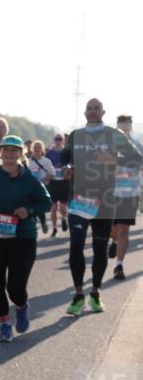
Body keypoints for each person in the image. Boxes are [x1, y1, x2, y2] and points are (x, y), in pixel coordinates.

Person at [61, 98, 143, 315]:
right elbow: (64, 158)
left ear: (103, 112)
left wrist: (114, 161)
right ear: (85, 112)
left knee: (99, 249)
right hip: (79, 199)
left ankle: (95, 292)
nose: (93, 111)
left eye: (97, 108)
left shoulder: (114, 135)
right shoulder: (76, 135)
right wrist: (67, 168)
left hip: (105, 201)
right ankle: (78, 296)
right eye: (89, 108)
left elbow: (137, 159)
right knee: (76, 246)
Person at [0, 136, 51, 342]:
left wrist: (29, 209)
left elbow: (46, 202)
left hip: (23, 237)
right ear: (0, 152)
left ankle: (22, 306)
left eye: (14, 150)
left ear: (21, 153)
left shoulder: (30, 179)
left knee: (15, 287)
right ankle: (4, 324)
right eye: (6, 150)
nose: (9, 154)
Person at [111, 114, 143, 279]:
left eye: (127, 124)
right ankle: (114, 242)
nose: (124, 127)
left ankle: (119, 265)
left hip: (130, 193)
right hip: (111, 192)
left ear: (130, 126)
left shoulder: (137, 146)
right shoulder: (110, 146)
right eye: (121, 125)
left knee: (124, 228)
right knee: (113, 228)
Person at [26, 140, 55, 234]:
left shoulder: (46, 161)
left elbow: (52, 174)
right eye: (35, 147)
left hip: (43, 187)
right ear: (32, 149)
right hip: (30, 188)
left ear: (42, 149)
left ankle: (43, 222)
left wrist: (42, 180)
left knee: (39, 206)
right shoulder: (28, 161)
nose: (37, 149)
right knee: (31, 205)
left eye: (39, 147)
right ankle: (33, 225)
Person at [45, 132, 69, 236]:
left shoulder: (67, 152)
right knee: (53, 208)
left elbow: (72, 164)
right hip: (53, 182)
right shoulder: (49, 153)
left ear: (63, 140)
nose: (58, 141)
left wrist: (68, 172)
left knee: (63, 208)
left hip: (64, 182)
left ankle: (64, 218)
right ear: (53, 140)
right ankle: (54, 228)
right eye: (56, 139)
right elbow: (45, 165)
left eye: (60, 139)